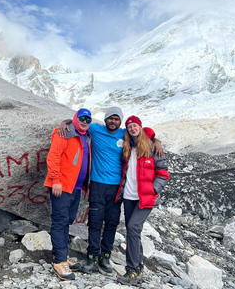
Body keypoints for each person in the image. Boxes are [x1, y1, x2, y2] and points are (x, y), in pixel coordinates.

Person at [58, 107, 163, 275]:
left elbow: (145, 132)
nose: (113, 121)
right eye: (111, 118)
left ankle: (105, 256)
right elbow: (79, 122)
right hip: (97, 185)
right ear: (105, 119)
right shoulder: (95, 129)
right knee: (95, 222)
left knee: (112, 223)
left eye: (116, 119)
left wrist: (156, 141)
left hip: (117, 188)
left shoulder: (124, 135)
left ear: (120, 122)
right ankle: (91, 257)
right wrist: (64, 123)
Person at [115, 116, 169, 285]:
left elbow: (163, 173)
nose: (132, 128)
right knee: (134, 232)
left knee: (132, 227)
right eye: (129, 126)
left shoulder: (152, 147)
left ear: (140, 127)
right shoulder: (126, 147)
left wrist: (153, 189)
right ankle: (138, 267)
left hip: (145, 197)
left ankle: (131, 271)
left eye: (135, 125)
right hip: (129, 196)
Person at [44, 108, 92, 281]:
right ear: (75, 118)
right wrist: (55, 180)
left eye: (88, 119)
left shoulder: (85, 135)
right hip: (62, 186)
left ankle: (60, 254)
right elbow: (53, 156)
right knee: (60, 221)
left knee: (68, 221)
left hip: (76, 188)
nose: (85, 121)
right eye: (82, 118)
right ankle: (59, 261)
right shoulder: (65, 133)